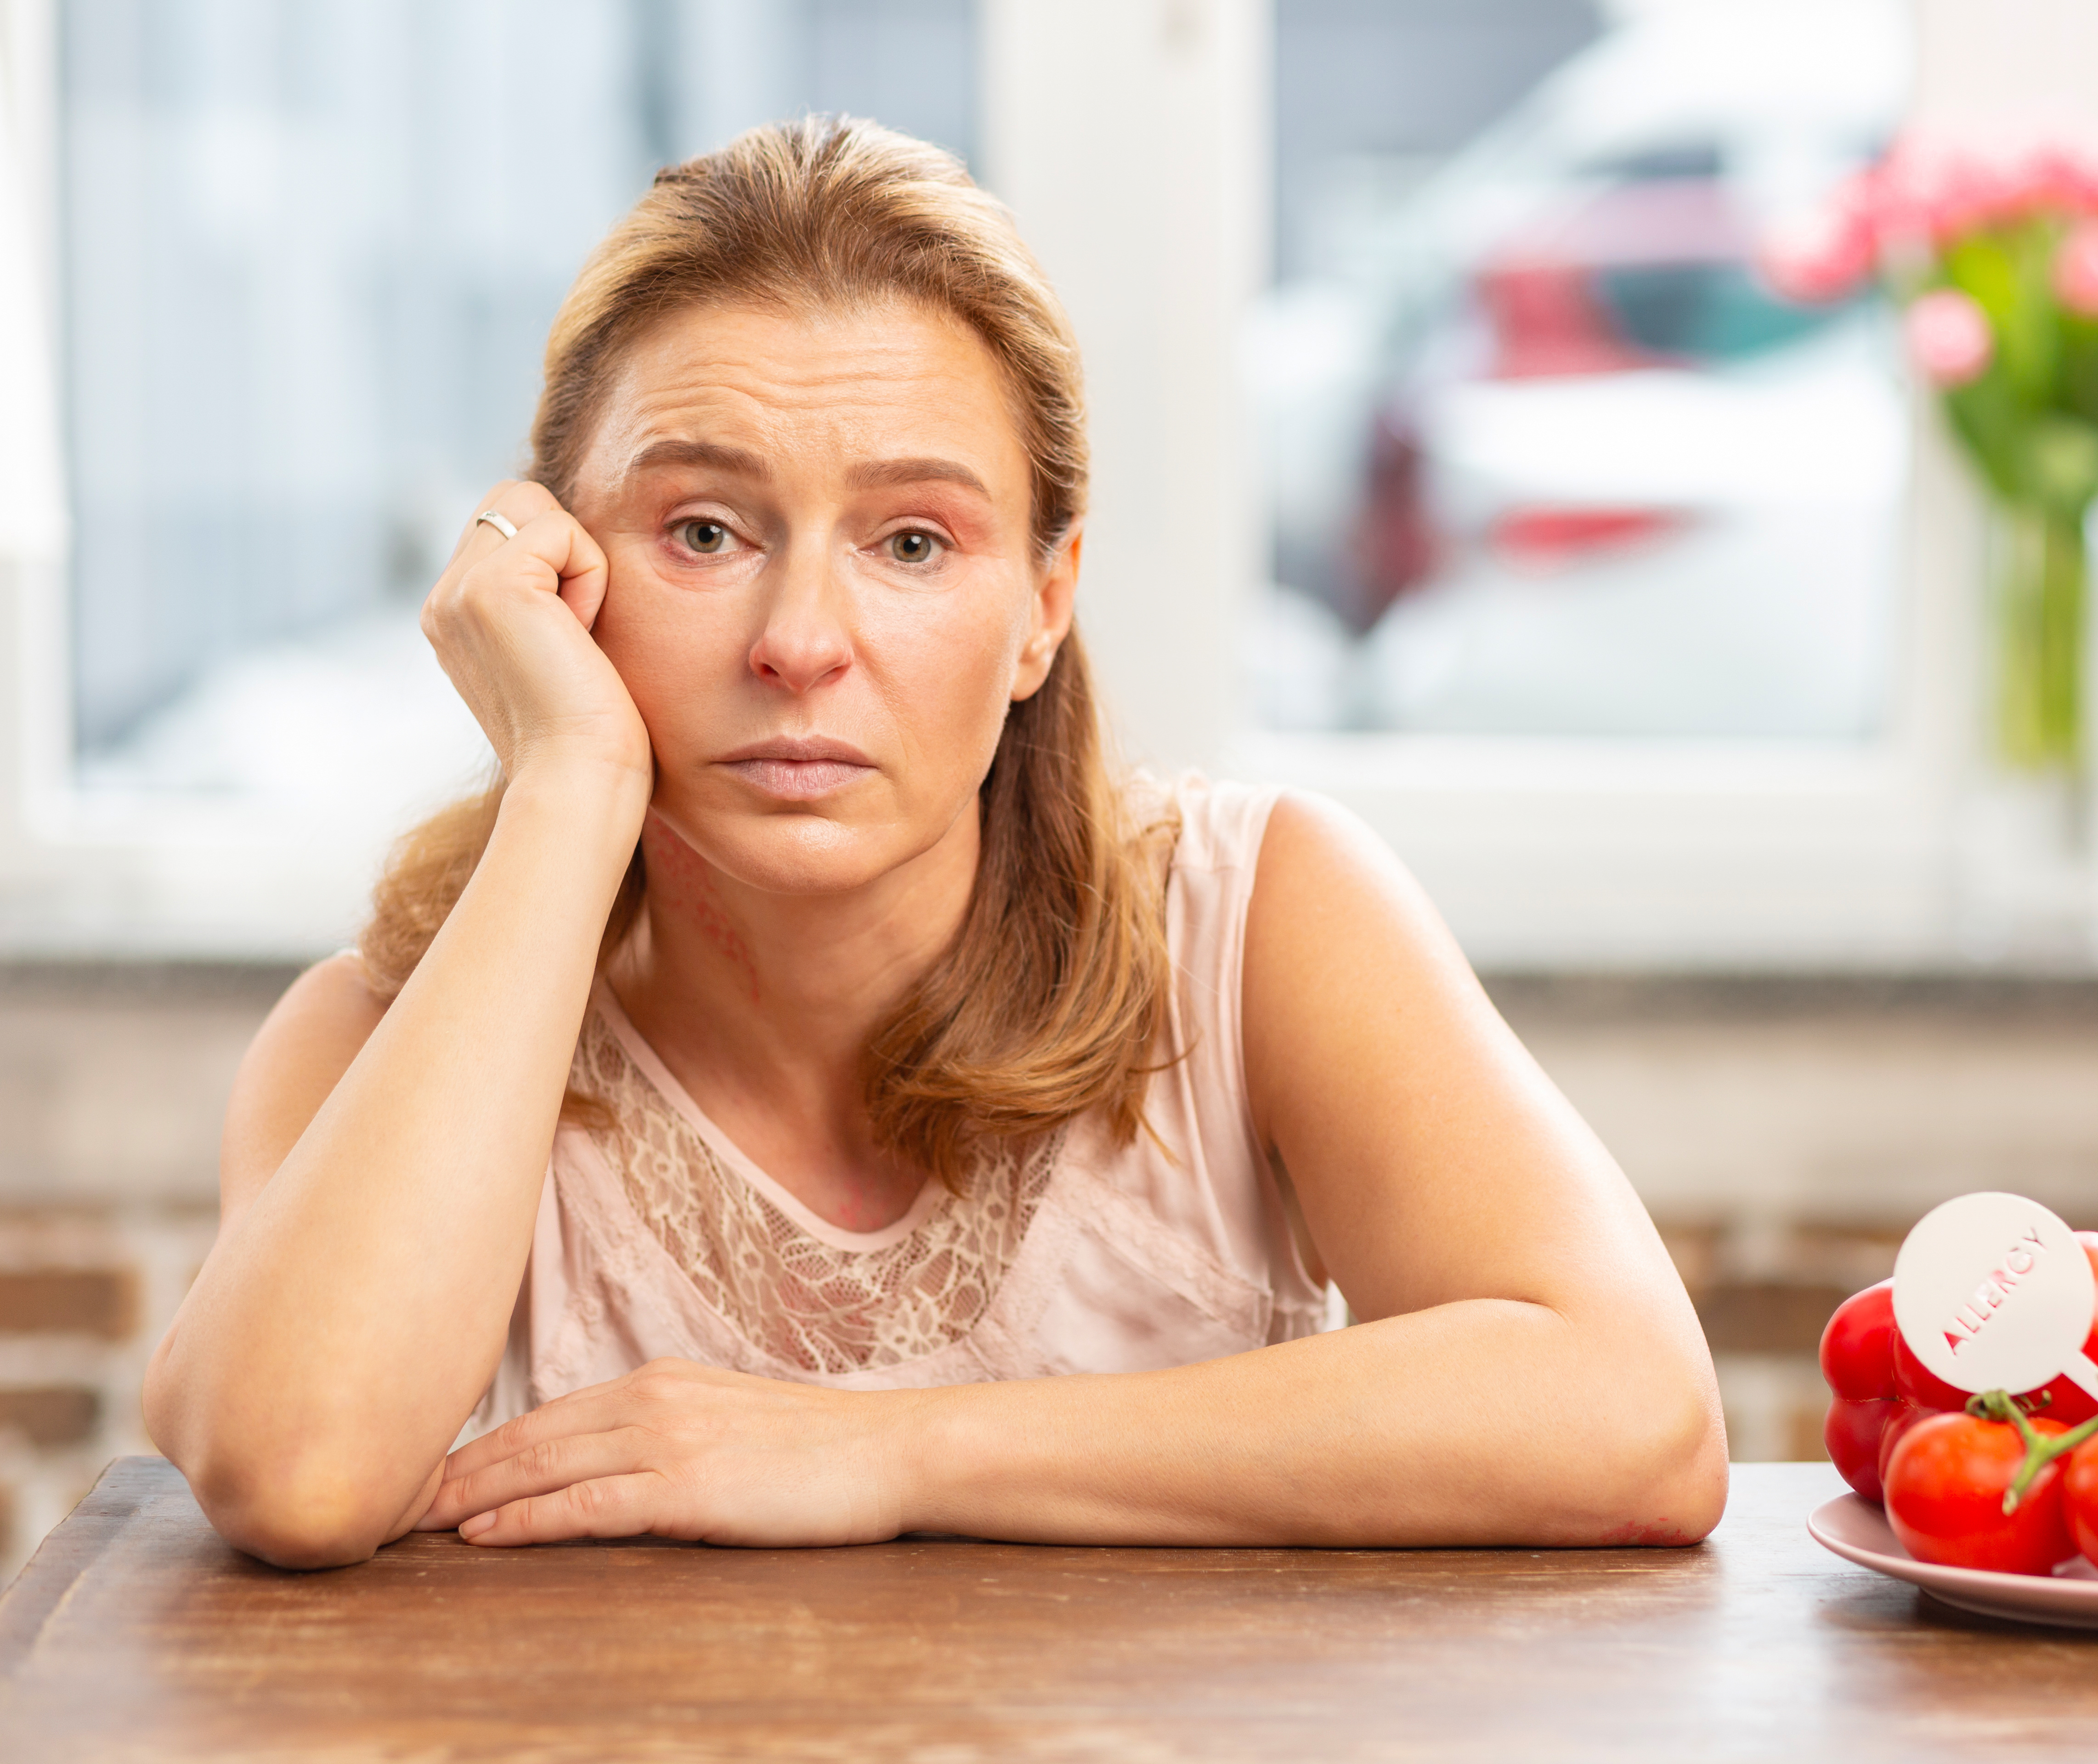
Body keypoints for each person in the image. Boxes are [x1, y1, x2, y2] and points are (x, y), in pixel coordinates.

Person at [141, 118, 1726, 1569]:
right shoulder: (379, 1032)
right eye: (704, 531)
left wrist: (888, 1450)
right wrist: (565, 779)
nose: (801, 643)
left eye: (912, 542)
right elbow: (294, 1474)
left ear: (1043, 606)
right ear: (563, 573)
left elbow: (1634, 1416)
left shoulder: (1258, 917)